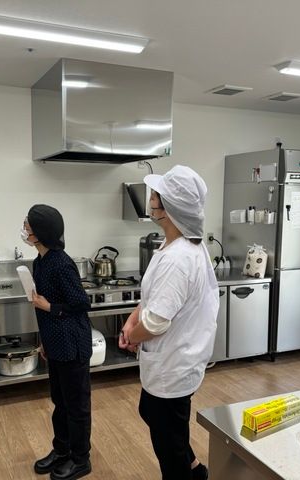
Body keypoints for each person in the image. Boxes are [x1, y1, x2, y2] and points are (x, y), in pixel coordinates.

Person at [119, 165, 219, 480]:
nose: (150, 201)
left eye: (154, 196)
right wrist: (133, 318)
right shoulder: (176, 245)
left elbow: (156, 322)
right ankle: (196, 470)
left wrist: (133, 336)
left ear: (168, 207)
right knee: (153, 414)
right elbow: (154, 299)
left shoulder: (179, 259)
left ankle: (186, 473)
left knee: (168, 444)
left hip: (174, 363)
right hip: (174, 359)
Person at [22, 204, 93, 480]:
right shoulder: (39, 262)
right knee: (60, 402)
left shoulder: (62, 264)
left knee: (76, 407)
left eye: (28, 226)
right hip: (56, 345)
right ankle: (62, 451)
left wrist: (49, 306)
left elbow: (81, 303)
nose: (25, 230)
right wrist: (45, 343)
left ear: (41, 233)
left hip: (73, 345)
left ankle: (81, 459)